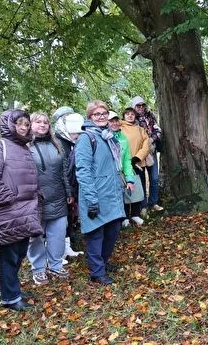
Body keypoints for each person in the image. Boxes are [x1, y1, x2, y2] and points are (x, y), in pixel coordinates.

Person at [0, 109, 43, 311]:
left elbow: (27, 177)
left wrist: (36, 194)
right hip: (7, 212)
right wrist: (9, 200)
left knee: (19, 253)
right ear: (9, 125)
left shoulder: (25, 149)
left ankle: (10, 289)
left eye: (27, 124)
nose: (24, 127)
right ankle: (10, 298)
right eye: (20, 124)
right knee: (9, 256)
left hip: (25, 212)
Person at [75, 101, 128, 284]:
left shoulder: (108, 136)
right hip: (95, 195)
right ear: (89, 117)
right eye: (96, 114)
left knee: (113, 230)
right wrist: (91, 199)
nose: (101, 116)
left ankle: (103, 263)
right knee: (96, 234)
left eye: (103, 113)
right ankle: (97, 272)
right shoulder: (86, 138)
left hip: (112, 194)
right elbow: (83, 170)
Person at [27, 112, 72, 285]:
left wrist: (68, 193)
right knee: (35, 235)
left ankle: (55, 264)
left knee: (58, 234)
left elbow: (64, 172)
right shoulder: (25, 146)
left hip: (58, 196)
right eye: (38, 122)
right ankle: (38, 268)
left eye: (46, 122)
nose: (43, 125)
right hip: (35, 199)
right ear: (30, 124)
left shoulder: (57, 144)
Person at [51, 106, 82, 259]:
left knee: (69, 218)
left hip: (72, 187)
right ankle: (58, 252)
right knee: (60, 221)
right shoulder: (57, 141)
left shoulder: (71, 140)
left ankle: (67, 248)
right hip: (61, 188)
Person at [131, 96, 163, 215]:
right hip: (138, 153)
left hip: (151, 151)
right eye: (138, 105)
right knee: (141, 180)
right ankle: (143, 205)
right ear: (134, 107)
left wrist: (151, 139)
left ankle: (153, 202)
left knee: (154, 178)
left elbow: (158, 130)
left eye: (142, 105)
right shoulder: (131, 118)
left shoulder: (150, 115)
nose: (141, 107)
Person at [107, 111, 139, 226]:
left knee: (123, 195)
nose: (114, 123)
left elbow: (126, 160)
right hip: (108, 175)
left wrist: (130, 179)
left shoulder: (123, 138)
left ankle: (123, 218)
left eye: (116, 121)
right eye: (111, 121)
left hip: (120, 173)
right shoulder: (104, 137)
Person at [120, 107, 150, 226]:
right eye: (127, 114)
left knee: (138, 189)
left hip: (137, 164)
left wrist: (137, 157)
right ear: (124, 116)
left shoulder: (141, 129)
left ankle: (135, 214)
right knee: (125, 190)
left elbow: (146, 145)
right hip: (124, 165)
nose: (130, 116)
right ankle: (125, 216)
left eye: (132, 114)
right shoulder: (120, 128)